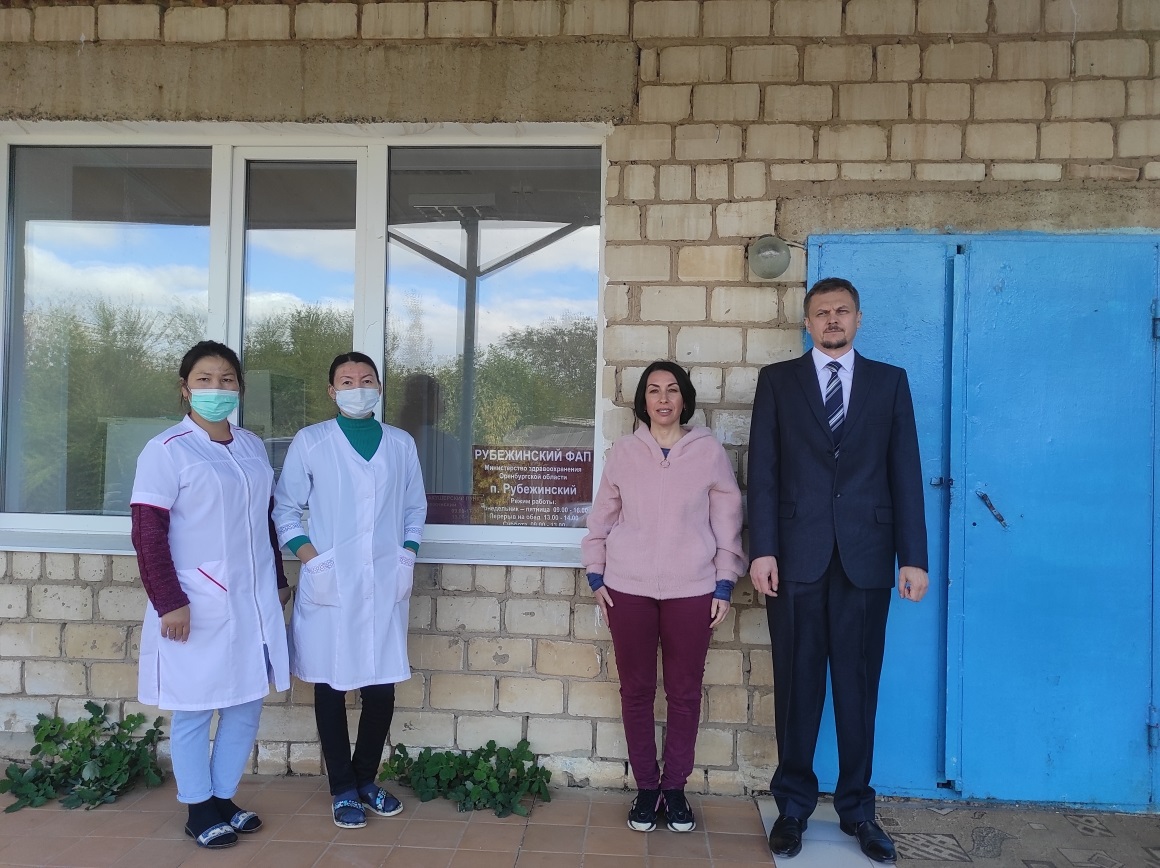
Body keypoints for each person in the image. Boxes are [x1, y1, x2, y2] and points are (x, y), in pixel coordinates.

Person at [747, 277, 929, 863]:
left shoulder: (889, 382)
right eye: (821, 312)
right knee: (796, 688)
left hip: (866, 560)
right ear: (807, 323)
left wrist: (913, 557)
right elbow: (763, 472)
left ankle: (857, 810)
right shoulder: (778, 382)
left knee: (857, 688)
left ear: (857, 318)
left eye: (842, 311)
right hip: (794, 560)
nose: (832, 320)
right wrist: (762, 549)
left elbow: (905, 472)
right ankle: (793, 807)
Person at [131, 340, 291, 850]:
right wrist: (168, 600)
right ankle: (198, 806)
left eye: (226, 379)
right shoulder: (166, 450)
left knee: (246, 701)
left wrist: (278, 580)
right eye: (204, 379)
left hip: (252, 598)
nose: (216, 388)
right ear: (185, 389)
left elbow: (265, 520)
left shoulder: (250, 445)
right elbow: (147, 533)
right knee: (196, 705)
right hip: (195, 600)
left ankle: (223, 797)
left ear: (239, 388)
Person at [581, 361, 746, 834]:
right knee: (635, 691)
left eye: (672, 390)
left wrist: (724, 580)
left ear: (684, 399)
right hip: (627, 589)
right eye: (653, 390)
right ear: (644, 401)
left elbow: (728, 520)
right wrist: (596, 574)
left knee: (684, 692)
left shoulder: (708, 452)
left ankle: (674, 789)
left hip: (692, 590)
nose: (663, 398)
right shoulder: (624, 452)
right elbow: (602, 517)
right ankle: (646, 788)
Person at [273, 351, 427, 830]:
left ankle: (365, 780)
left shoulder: (400, 444)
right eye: (346, 380)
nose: (357, 387)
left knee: (381, 687)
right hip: (331, 580)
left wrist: (406, 554)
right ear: (331, 390)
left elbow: (414, 508)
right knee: (330, 684)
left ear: (378, 388)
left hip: (383, 579)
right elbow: (284, 509)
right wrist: (312, 560)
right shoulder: (312, 441)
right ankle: (342, 788)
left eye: (366, 379)